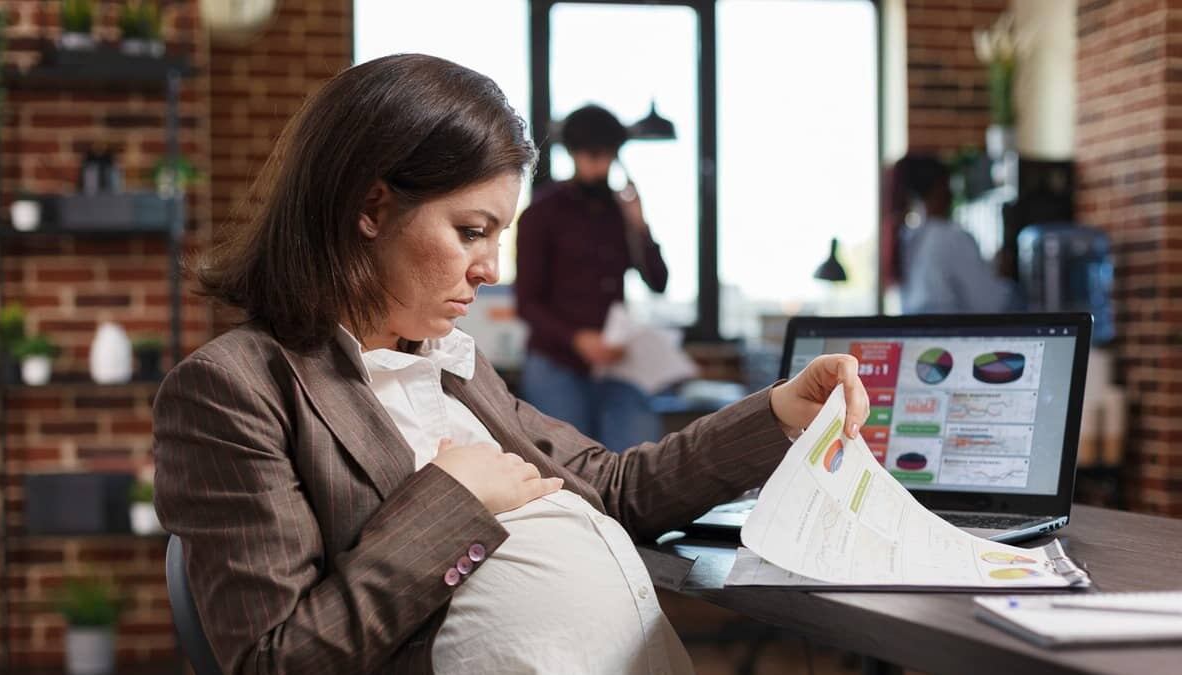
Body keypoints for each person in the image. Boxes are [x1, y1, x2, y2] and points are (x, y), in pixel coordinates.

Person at [152, 54, 869, 675]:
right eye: (471, 231)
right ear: (371, 207)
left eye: (498, 236)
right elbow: (276, 659)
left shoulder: (452, 368)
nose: (491, 269)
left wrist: (779, 411)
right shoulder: (234, 390)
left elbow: (615, 488)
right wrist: (453, 501)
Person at [515, 104, 667, 452]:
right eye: (593, 156)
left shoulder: (620, 212)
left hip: (616, 363)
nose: (601, 166)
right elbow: (527, 303)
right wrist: (577, 339)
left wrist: (641, 227)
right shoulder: (542, 212)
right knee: (568, 462)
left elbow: (658, 282)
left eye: (609, 156)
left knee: (638, 457)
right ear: (574, 154)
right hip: (557, 360)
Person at [887, 153, 1019, 314]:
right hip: (948, 329)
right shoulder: (949, 237)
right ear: (938, 188)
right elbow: (991, 304)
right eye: (948, 185)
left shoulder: (907, 237)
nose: (951, 194)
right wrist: (1003, 275)